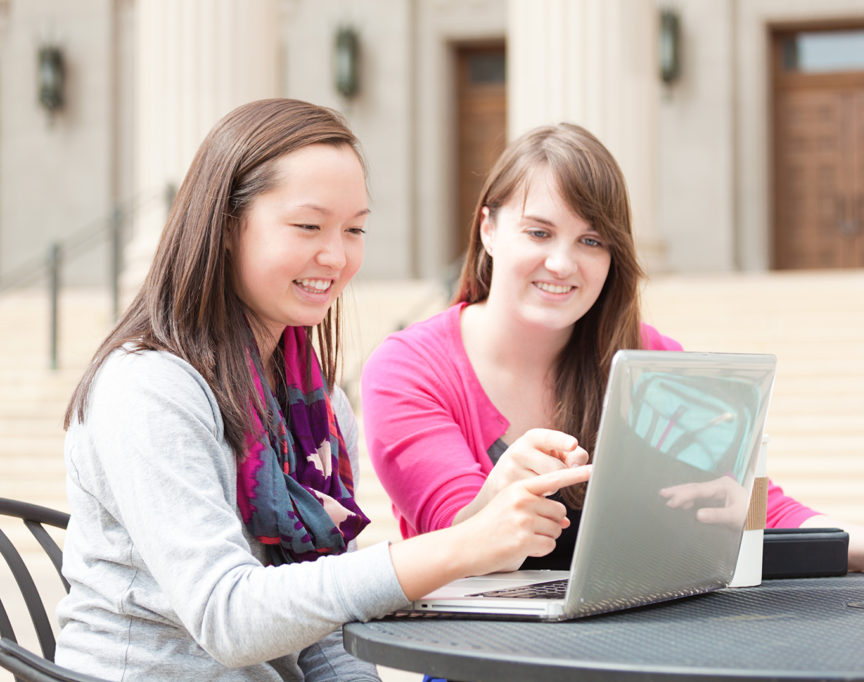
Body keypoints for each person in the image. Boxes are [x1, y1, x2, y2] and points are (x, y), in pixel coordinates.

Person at [55, 99, 590, 681]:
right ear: (226, 226)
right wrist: (466, 545)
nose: (336, 256)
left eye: (354, 229)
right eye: (308, 226)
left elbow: (328, 639)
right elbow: (229, 617)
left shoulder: (318, 408)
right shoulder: (149, 387)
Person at [361, 121, 864, 586]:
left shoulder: (645, 357)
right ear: (488, 229)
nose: (562, 262)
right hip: (478, 655)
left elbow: (755, 502)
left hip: (631, 642)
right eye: (538, 232)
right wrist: (498, 494)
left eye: (591, 240)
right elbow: (450, 547)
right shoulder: (409, 368)